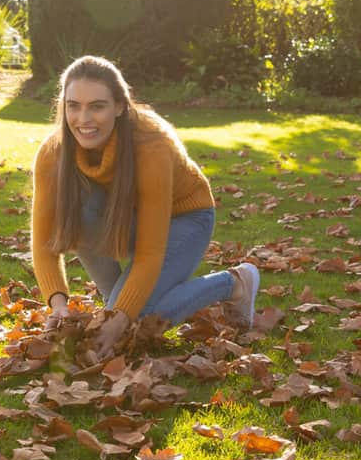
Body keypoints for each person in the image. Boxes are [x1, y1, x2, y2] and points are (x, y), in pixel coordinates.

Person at [30, 55, 259, 328]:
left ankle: (235, 283)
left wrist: (122, 317)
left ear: (118, 106)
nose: (83, 119)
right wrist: (58, 306)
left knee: (135, 321)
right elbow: (43, 243)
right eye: (73, 106)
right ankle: (115, 301)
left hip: (185, 218)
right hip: (125, 219)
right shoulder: (53, 154)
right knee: (118, 314)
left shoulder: (152, 144)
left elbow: (150, 253)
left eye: (97, 106)